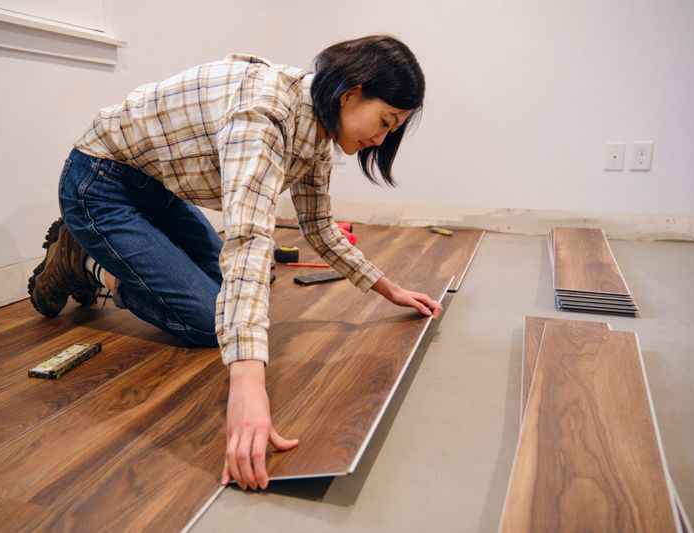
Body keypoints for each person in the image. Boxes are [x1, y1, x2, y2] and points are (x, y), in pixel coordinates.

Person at [28, 34, 442, 491]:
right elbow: (247, 239)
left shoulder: (317, 129)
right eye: (384, 122)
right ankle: (84, 262)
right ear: (351, 93)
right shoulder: (263, 118)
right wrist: (247, 388)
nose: (380, 139)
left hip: (157, 189)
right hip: (100, 186)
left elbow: (321, 230)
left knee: (242, 291)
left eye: (392, 130)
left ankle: (105, 254)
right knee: (211, 321)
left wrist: (388, 289)